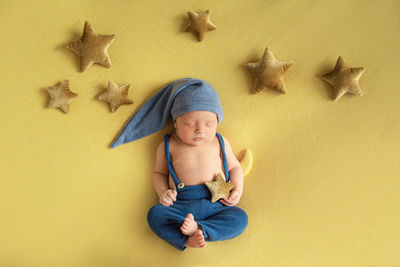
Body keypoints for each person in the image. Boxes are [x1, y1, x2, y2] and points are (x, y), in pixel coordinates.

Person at [112, 78, 248, 251]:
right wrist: (163, 193)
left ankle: (200, 230)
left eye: (209, 124)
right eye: (190, 124)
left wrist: (237, 190)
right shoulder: (167, 145)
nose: (200, 130)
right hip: (181, 205)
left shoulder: (220, 142)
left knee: (240, 218)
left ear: (217, 122)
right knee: (155, 215)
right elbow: (159, 173)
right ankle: (185, 239)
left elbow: (235, 167)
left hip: (217, 204)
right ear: (175, 122)